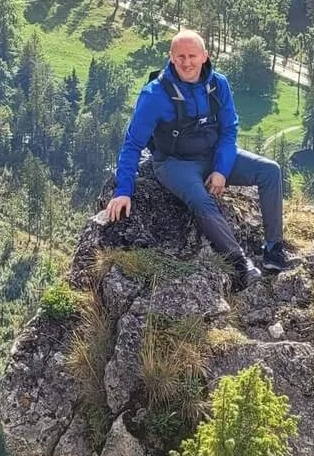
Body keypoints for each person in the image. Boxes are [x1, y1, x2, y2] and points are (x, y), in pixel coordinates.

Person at [106, 29, 295, 289]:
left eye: (192, 55)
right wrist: (123, 190)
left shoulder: (219, 85)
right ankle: (240, 263)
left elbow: (229, 130)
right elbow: (133, 144)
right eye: (180, 56)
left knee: (270, 171)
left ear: (205, 56)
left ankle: (274, 250)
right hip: (174, 163)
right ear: (171, 58)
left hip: (214, 153)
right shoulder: (154, 96)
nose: (187, 62)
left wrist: (221, 169)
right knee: (199, 199)